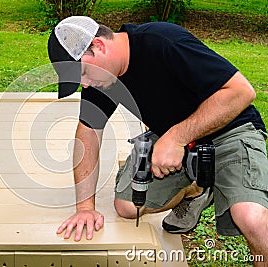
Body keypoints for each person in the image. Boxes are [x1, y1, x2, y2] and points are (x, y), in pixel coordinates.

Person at [47, 16, 268, 265]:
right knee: (129, 206)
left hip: (231, 130)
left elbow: (241, 91)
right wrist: (85, 208)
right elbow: (88, 132)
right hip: (174, 143)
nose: (85, 84)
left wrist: (175, 138)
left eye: (84, 73)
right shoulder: (102, 79)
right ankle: (195, 191)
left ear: (99, 45)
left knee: (251, 217)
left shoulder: (163, 42)